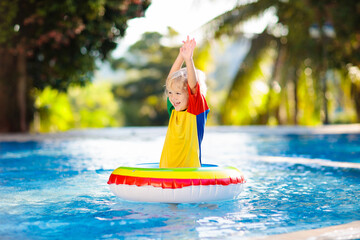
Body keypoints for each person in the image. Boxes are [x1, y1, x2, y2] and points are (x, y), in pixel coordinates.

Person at [159, 36, 209, 168]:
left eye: (178, 93)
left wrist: (188, 59)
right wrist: (180, 56)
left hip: (188, 173)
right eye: (170, 93)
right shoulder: (174, 110)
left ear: (191, 95)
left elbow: (193, 87)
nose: (173, 97)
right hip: (166, 171)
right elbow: (171, 80)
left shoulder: (195, 111)